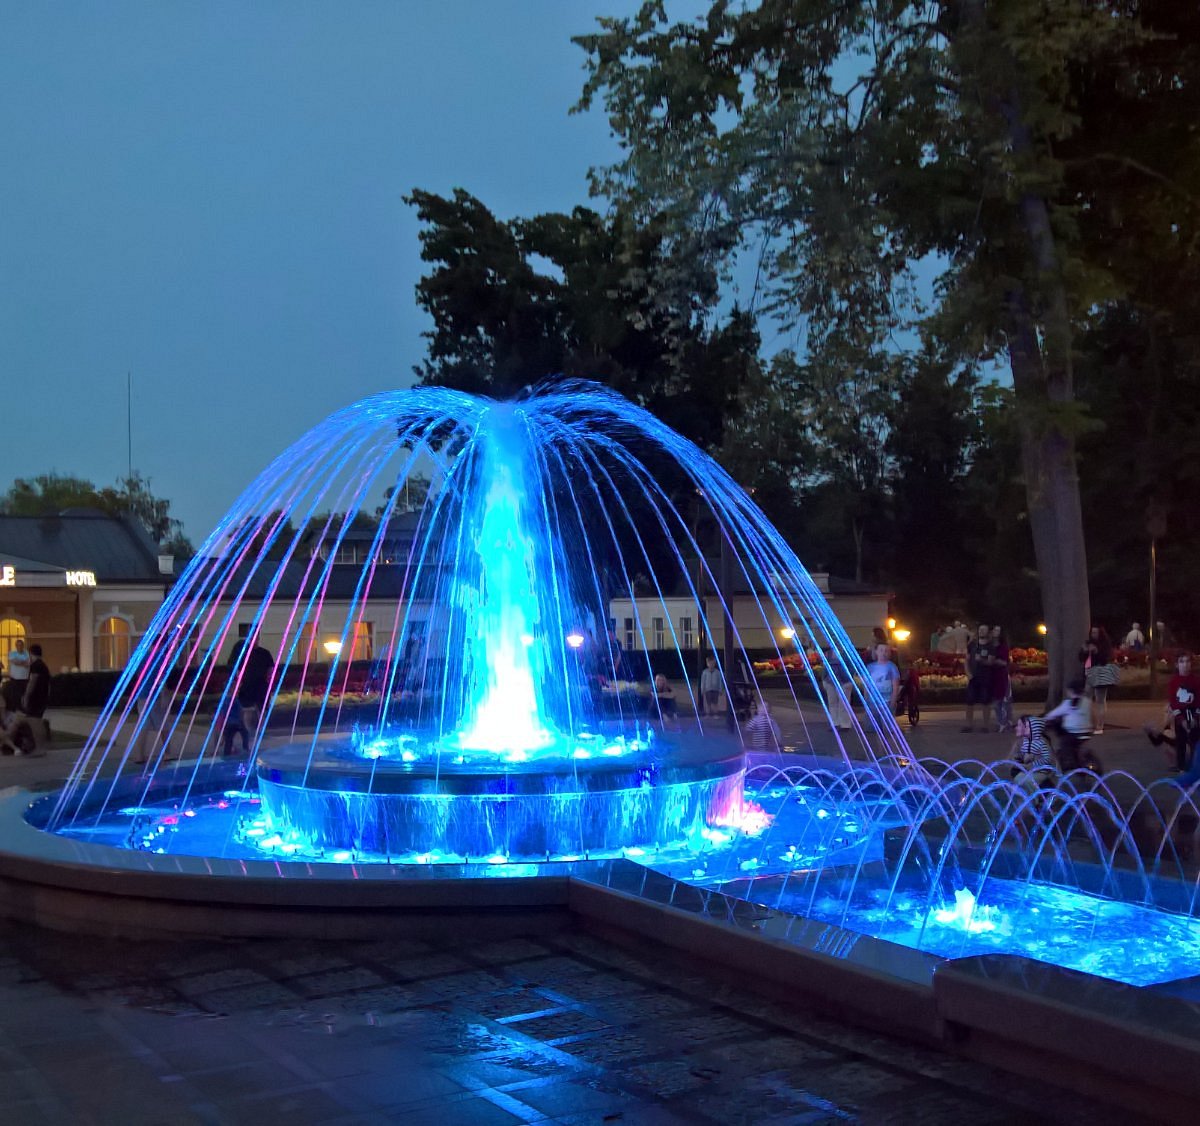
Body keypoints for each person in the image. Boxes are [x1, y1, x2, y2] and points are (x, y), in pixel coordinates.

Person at [1161, 653, 1200, 773]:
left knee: (1195, 741)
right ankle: (1181, 767)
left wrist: (1196, 717)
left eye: (1187, 661)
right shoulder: (1173, 682)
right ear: (1177, 665)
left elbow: (1199, 700)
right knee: (1181, 741)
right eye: (1182, 662)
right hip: (1179, 715)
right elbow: (1173, 702)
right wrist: (1181, 720)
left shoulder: (1196, 681)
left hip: (1194, 714)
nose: (1185, 665)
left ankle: (1195, 766)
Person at [1044, 678, 1093, 772]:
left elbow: (1054, 714)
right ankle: (1079, 760)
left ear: (1070, 691)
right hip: (1087, 732)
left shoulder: (1068, 703)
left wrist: (1045, 719)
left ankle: (1068, 764)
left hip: (1073, 733)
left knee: (1064, 744)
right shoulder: (1087, 701)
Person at [1079, 625, 1117, 734]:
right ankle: (1087, 723)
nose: (1093, 635)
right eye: (1092, 633)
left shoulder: (1104, 645)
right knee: (1086, 698)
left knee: (1100, 700)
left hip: (1100, 673)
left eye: (1096, 633)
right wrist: (1084, 650)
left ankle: (1100, 726)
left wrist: (1096, 651)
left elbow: (1106, 659)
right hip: (1089, 673)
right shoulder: (1088, 643)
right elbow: (1081, 658)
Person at [1009, 715, 1057, 797]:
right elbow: (1013, 758)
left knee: (1025, 780)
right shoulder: (1024, 742)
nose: (1016, 728)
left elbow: (1048, 760)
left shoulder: (1041, 742)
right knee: (1019, 778)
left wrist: (1029, 765)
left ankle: (1037, 799)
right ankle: (1032, 799)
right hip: (1031, 771)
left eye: (1020, 725)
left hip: (1042, 772)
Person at [962, 624, 994, 733]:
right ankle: (968, 725)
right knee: (969, 701)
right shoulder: (972, 645)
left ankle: (985, 725)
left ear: (987, 632)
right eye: (980, 630)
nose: (981, 632)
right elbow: (966, 660)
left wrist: (982, 660)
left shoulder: (990, 646)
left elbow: (991, 662)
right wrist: (968, 673)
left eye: (984, 630)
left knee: (985, 701)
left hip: (985, 677)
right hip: (973, 677)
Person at [990, 626, 1014, 732]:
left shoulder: (1003, 647)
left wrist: (994, 660)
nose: (995, 632)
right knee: (996, 701)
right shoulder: (989, 646)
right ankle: (1000, 722)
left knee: (1004, 700)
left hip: (1002, 675)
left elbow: (1004, 662)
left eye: (998, 631)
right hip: (992, 675)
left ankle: (1006, 722)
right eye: (994, 630)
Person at [866, 642, 900, 712]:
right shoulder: (870, 667)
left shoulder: (892, 667)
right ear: (876, 652)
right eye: (881, 650)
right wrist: (866, 700)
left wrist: (893, 702)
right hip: (872, 703)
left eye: (886, 651)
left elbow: (895, 687)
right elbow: (867, 686)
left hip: (887, 702)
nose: (883, 653)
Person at [21, 644, 50, 719]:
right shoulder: (44, 666)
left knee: (32, 720)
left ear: (31, 653)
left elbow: (32, 681)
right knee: (37, 719)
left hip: (35, 699)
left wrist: (26, 696)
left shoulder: (35, 665)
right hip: (43, 698)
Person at [5, 637, 30, 712]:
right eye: (18, 645)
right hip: (15, 677)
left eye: (21, 645)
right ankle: (15, 708)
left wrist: (20, 662)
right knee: (15, 694)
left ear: (23, 645)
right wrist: (23, 662)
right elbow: (15, 662)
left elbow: (28, 664)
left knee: (24, 694)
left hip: (25, 677)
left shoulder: (27, 653)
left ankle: (23, 708)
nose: (19, 646)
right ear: (16, 646)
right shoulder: (12, 653)